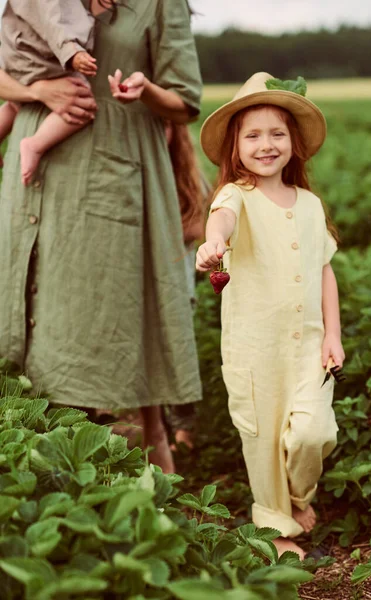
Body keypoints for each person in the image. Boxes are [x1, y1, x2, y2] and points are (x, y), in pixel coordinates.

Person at [0, 0, 203, 475]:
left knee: (96, 308)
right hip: (31, 175)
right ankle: (41, 461)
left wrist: (146, 89)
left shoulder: (159, 4)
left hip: (110, 167)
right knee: (32, 303)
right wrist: (40, 90)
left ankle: (139, 444)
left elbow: (186, 101)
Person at [196, 72, 345, 559]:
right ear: (234, 147)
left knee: (313, 431)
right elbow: (222, 219)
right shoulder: (236, 196)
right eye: (252, 135)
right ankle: (276, 523)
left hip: (307, 346)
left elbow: (324, 271)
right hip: (254, 349)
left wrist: (333, 337)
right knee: (260, 440)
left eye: (276, 133)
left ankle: (300, 496)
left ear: (294, 143)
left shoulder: (310, 203)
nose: (266, 145)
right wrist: (215, 241)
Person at [0, 0, 97, 185]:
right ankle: (35, 144)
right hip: (36, 61)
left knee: (13, 106)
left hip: (15, 58)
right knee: (84, 100)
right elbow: (55, 22)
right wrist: (73, 53)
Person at [164, 119, 211, 450]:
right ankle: (156, 426)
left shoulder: (182, 169)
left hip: (175, 277)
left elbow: (196, 228)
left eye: (164, 125)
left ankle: (183, 429)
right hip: (138, 276)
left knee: (177, 346)